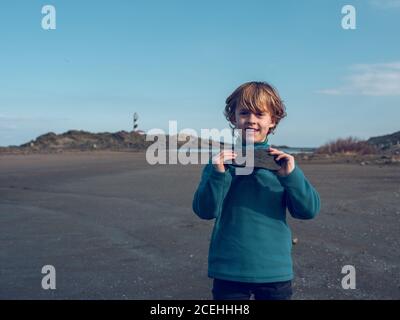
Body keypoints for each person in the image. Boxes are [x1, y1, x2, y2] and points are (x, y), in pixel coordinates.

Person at [192, 81, 321, 300]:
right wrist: (218, 173)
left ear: (273, 121)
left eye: (260, 114)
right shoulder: (220, 164)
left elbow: (307, 211)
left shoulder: (281, 164)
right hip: (229, 270)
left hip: (274, 271)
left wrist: (291, 176)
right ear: (233, 118)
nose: (251, 119)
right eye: (244, 112)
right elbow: (205, 211)